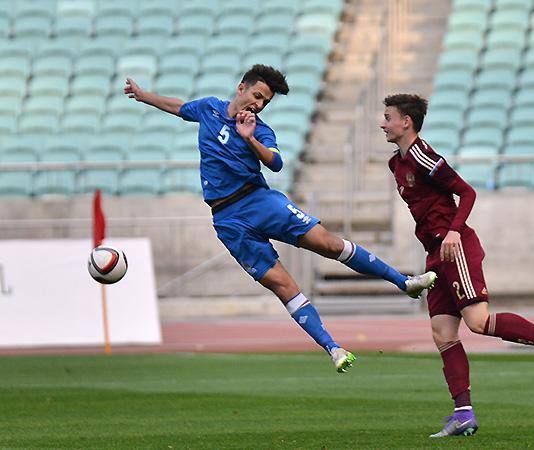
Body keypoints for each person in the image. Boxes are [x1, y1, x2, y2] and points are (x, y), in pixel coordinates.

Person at [124, 65, 437, 373]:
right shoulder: (209, 108)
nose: (259, 105)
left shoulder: (260, 130)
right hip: (227, 220)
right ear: (241, 89)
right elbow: (179, 107)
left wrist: (249, 139)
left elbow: (275, 163)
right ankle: (334, 348)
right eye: (257, 96)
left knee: (328, 244)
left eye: (265, 102)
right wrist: (142, 95)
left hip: (259, 201)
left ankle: (404, 282)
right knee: (282, 285)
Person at [380, 93, 534, 437]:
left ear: (406, 122)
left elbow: (468, 192)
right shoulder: (396, 163)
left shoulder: (423, 156)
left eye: (388, 117)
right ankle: (463, 414)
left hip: (455, 247)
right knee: (442, 333)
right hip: (435, 253)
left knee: (478, 321)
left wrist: (454, 232)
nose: (382, 124)